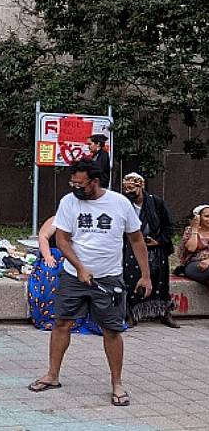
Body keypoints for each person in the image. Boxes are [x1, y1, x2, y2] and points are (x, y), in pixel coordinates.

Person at [28, 157, 152, 407]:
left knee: (112, 330)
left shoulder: (119, 204)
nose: (75, 188)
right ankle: (52, 375)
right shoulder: (68, 202)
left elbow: (137, 240)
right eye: (72, 182)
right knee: (61, 323)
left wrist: (146, 275)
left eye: (80, 184)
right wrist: (80, 268)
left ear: (95, 181)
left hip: (109, 278)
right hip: (73, 276)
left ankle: (117, 383)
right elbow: (62, 240)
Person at [121, 172, 179, 328]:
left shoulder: (156, 203)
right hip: (132, 247)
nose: (129, 192)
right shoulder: (123, 203)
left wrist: (159, 241)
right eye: (126, 189)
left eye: (132, 188)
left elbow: (168, 226)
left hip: (156, 247)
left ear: (141, 186)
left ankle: (164, 313)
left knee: (160, 281)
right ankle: (132, 313)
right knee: (132, 279)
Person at [28, 216, 101, 334]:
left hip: (76, 258)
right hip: (54, 256)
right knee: (50, 275)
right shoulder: (56, 219)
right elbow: (43, 236)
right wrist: (47, 256)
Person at [178, 204, 209, 285]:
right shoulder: (190, 230)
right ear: (198, 217)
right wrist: (195, 229)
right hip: (194, 263)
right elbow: (191, 248)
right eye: (207, 216)